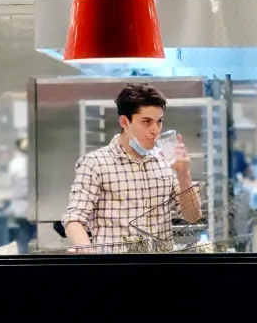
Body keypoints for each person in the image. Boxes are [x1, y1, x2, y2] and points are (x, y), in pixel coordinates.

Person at [61, 83, 202, 252]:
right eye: (146, 122)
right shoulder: (95, 163)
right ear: (124, 122)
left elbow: (192, 216)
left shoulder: (165, 161)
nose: (155, 130)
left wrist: (183, 174)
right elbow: (74, 219)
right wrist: (88, 252)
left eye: (159, 122)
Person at [8, 137, 35, 254]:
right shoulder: (29, 162)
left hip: (21, 209)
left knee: (24, 241)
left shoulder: (15, 163)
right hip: (31, 208)